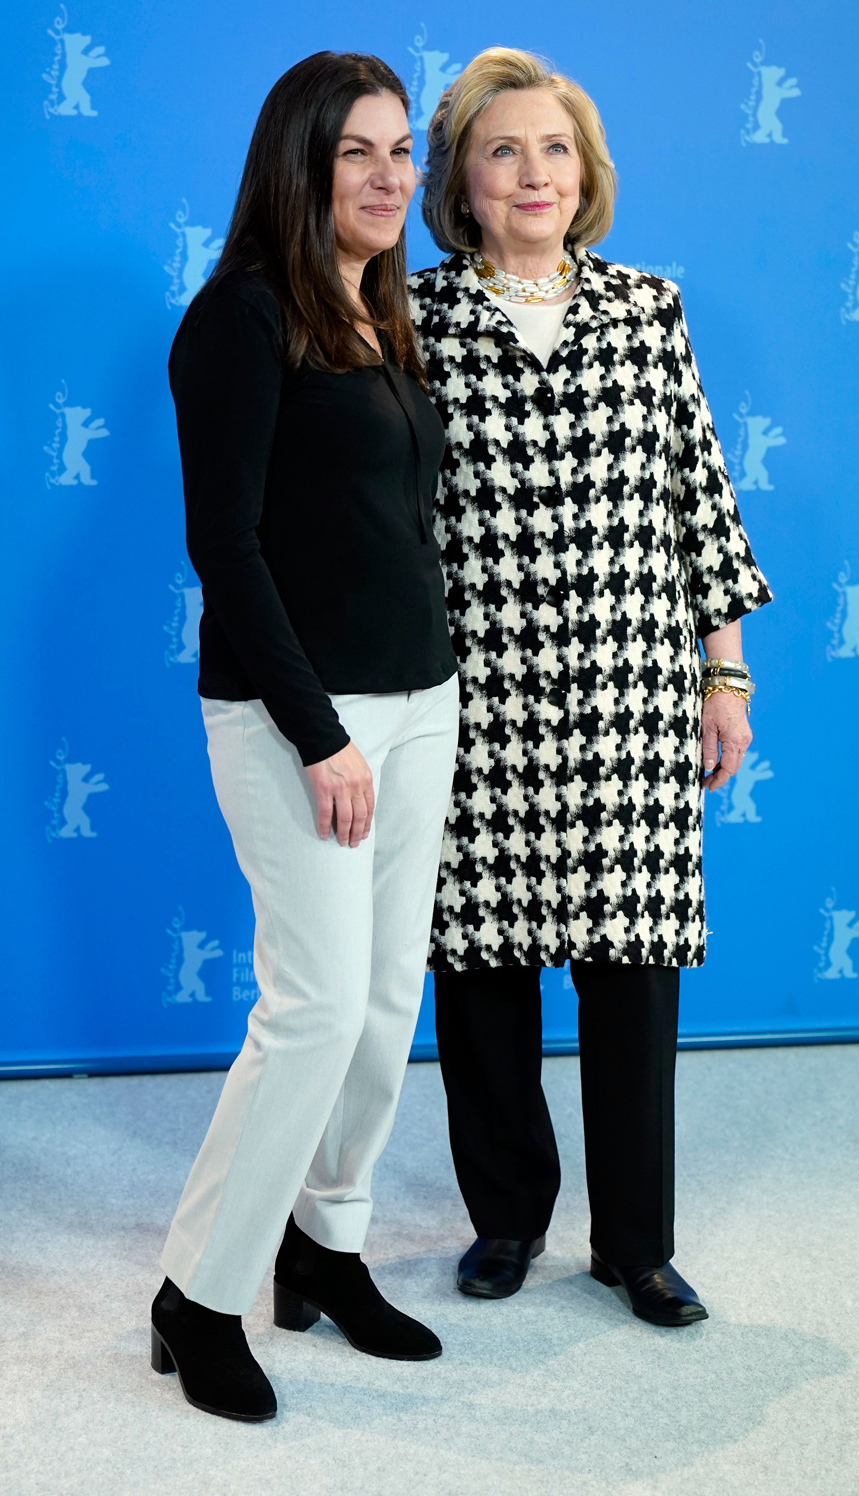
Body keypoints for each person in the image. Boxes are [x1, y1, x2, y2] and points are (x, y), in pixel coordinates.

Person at [410, 48, 772, 1327]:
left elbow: (699, 503)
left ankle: (636, 1242)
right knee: (485, 972)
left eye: (553, 148)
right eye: (502, 149)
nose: (532, 172)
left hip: (627, 694)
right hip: (475, 697)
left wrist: (721, 670)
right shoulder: (411, 319)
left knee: (633, 974)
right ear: (459, 177)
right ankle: (504, 1220)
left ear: (587, 172)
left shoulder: (647, 308)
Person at [153, 52, 459, 1421]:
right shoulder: (242, 318)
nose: (395, 178)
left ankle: (323, 1248)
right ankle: (200, 1293)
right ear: (301, 165)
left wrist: (414, 703)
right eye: (361, 155)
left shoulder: (381, 314)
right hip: (299, 722)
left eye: (404, 152)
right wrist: (321, 730)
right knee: (316, 1005)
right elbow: (226, 545)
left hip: (419, 707)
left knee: (388, 1004)